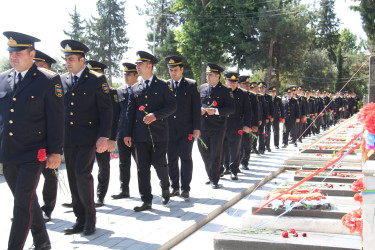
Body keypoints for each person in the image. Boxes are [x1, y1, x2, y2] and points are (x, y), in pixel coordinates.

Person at [0, 31, 64, 250]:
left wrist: (55, 152)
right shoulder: (3, 78)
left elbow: (56, 119)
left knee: (20, 204)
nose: (13, 57)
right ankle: (42, 241)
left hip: (32, 153)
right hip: (8, 153)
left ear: (32, 53)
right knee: (26, 200)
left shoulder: (48, 80)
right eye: (11, 52)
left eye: (18, 52)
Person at [60, 40, 113, 236]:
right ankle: (79, 219)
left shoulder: (96, 79)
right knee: (73, 178)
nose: (68, 62)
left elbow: (106, 111)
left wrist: (104, 137)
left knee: (82, 174)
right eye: (66, 59)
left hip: (88, 137)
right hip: (68, 138)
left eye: (71, 59)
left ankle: (90, 218)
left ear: (82, 60)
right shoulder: (62, 79)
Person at [123, 51, 176, 212]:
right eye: (137, 64)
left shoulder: (162, 85)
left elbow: (172, 106)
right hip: (140, 135)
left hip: (159, 134)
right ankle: (146, 200)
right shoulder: (135, 88)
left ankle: (165, 187)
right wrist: (127, 133)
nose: (137, 67)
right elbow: (129, 112)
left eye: (140, 64)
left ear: (149, 66)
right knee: (142, 168)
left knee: (159, 164)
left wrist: (155, 115)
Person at [85, 60, 120, 207]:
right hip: (86, 135)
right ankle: (83, 197)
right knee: (83, 169)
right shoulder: (83, 89)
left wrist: (111, 138)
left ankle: (100, 195)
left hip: (103, 136)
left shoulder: (111, 92)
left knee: (103, 166)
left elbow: (114, 116)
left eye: (97, 72)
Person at [165, 56, 201, 198]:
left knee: (185, 157)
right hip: (169, 130)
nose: (173, 73)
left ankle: (185, 187)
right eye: (171, 70)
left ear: (182, 69)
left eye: (175, 70)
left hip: (186, 129)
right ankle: (175, 187)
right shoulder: (165, 85)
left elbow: (196, 108)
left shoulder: (191, 85)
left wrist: (196, 127)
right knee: (171, 159)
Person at [32, 50, 60, 223]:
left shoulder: (53, 82)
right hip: (29, 141)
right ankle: (27, 210)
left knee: (50, 176)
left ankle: (47, 209)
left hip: (48, 140)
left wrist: (55, 148)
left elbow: (57, 116)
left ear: (45, 66)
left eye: (38, 64)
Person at [198, 63, 234, 189]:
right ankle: (211, 174)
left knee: (215, 153)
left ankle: (214, 179)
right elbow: (196, 104)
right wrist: (200, 109)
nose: (208, 77)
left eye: (211, 75)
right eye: (207, 74)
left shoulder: (226, 90)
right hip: (202, 126)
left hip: (217, 127)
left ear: (218, 76)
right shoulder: (201, 88)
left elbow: (231, 109)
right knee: (203, 152)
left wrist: (217, 111)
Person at [112, 63, 137, 199]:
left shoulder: (141, 89)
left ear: (136, 76)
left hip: (137, 132)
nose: (126, 77)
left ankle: (144, 189)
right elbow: (116, 114)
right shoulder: (119, 91)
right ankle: (124, 190)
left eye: (129, 74)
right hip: (122, 132)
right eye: (124, 74)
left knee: (141, 163)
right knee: (123, 162)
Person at [221, 73, 251, 180]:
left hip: (236, 125)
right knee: (222, 148)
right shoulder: (221, 92)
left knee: (235, 148)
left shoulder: (243, 94)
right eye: (230, 81)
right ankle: (224, 168)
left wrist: (247, 125)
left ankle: (234, 170)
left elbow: (247, 111)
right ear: (225, 81)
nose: (232, 84)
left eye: (234, 82)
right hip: (222, 125)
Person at [238, 76, 260, 170]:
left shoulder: (252, 96)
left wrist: (255, 125)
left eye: (248, 84)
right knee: (236, 145)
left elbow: (256, 111)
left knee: (246, 144)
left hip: (248, 123)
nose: (247, 86)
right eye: (245, 84)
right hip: (237, 123)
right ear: (239, 85)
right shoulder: (234, 94)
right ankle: (234, 164)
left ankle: (245, 162)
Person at [258, 82, 273, 152]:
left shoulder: (268, 97)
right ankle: (260, 147)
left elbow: (271, 108)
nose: (261, 89)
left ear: (265, 88)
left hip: (267, 117)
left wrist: (270, 117)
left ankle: (267, 145)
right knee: (260, 132)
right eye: (260, 87)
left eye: (263, 87)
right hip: (259, 117)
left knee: (267, 132)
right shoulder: (256, 96)